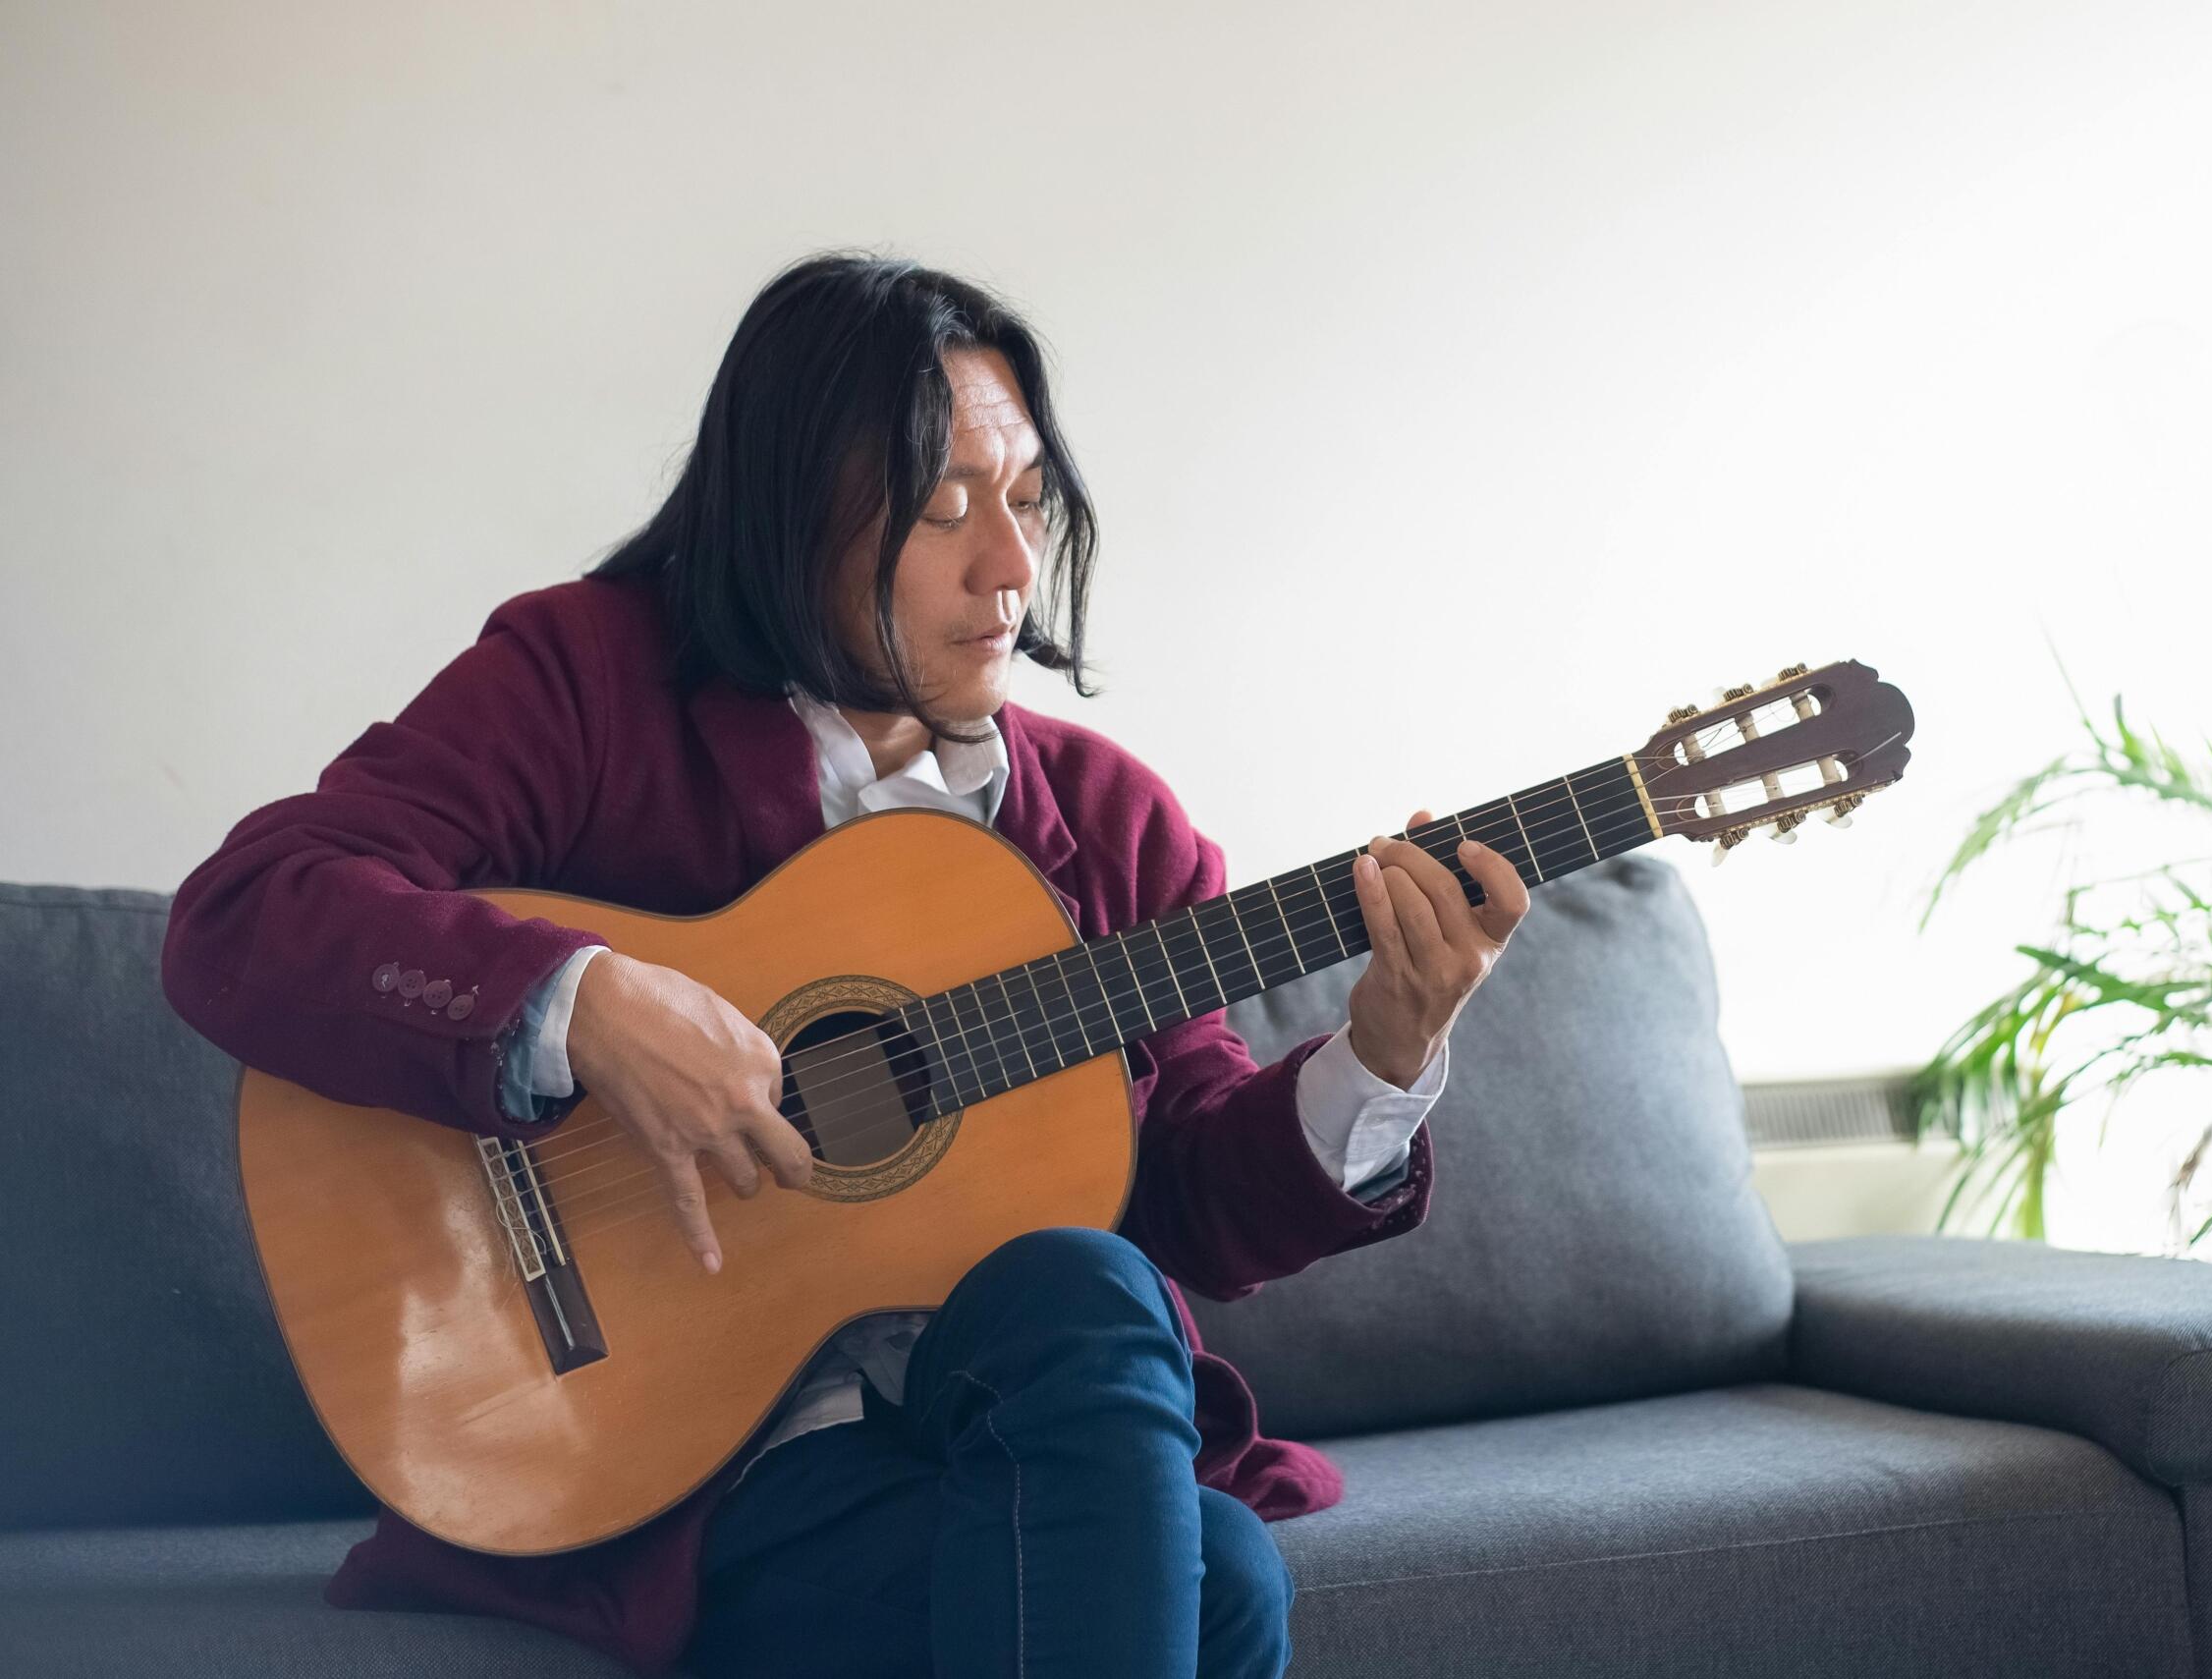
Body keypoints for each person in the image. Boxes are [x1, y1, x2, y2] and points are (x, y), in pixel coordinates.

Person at [161, 252, 1528, 1678]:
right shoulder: (586, 682)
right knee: (1192, 1520)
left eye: (1028, 502)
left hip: (984, 1435)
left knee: (1200, 1510)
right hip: (664, 1472)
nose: (1010, 567)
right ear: (790, 509)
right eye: (947, 509)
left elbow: (1188, 1197)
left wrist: (1381, 1050)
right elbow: (246, 913)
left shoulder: (1113, 824)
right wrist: (585, 1004)